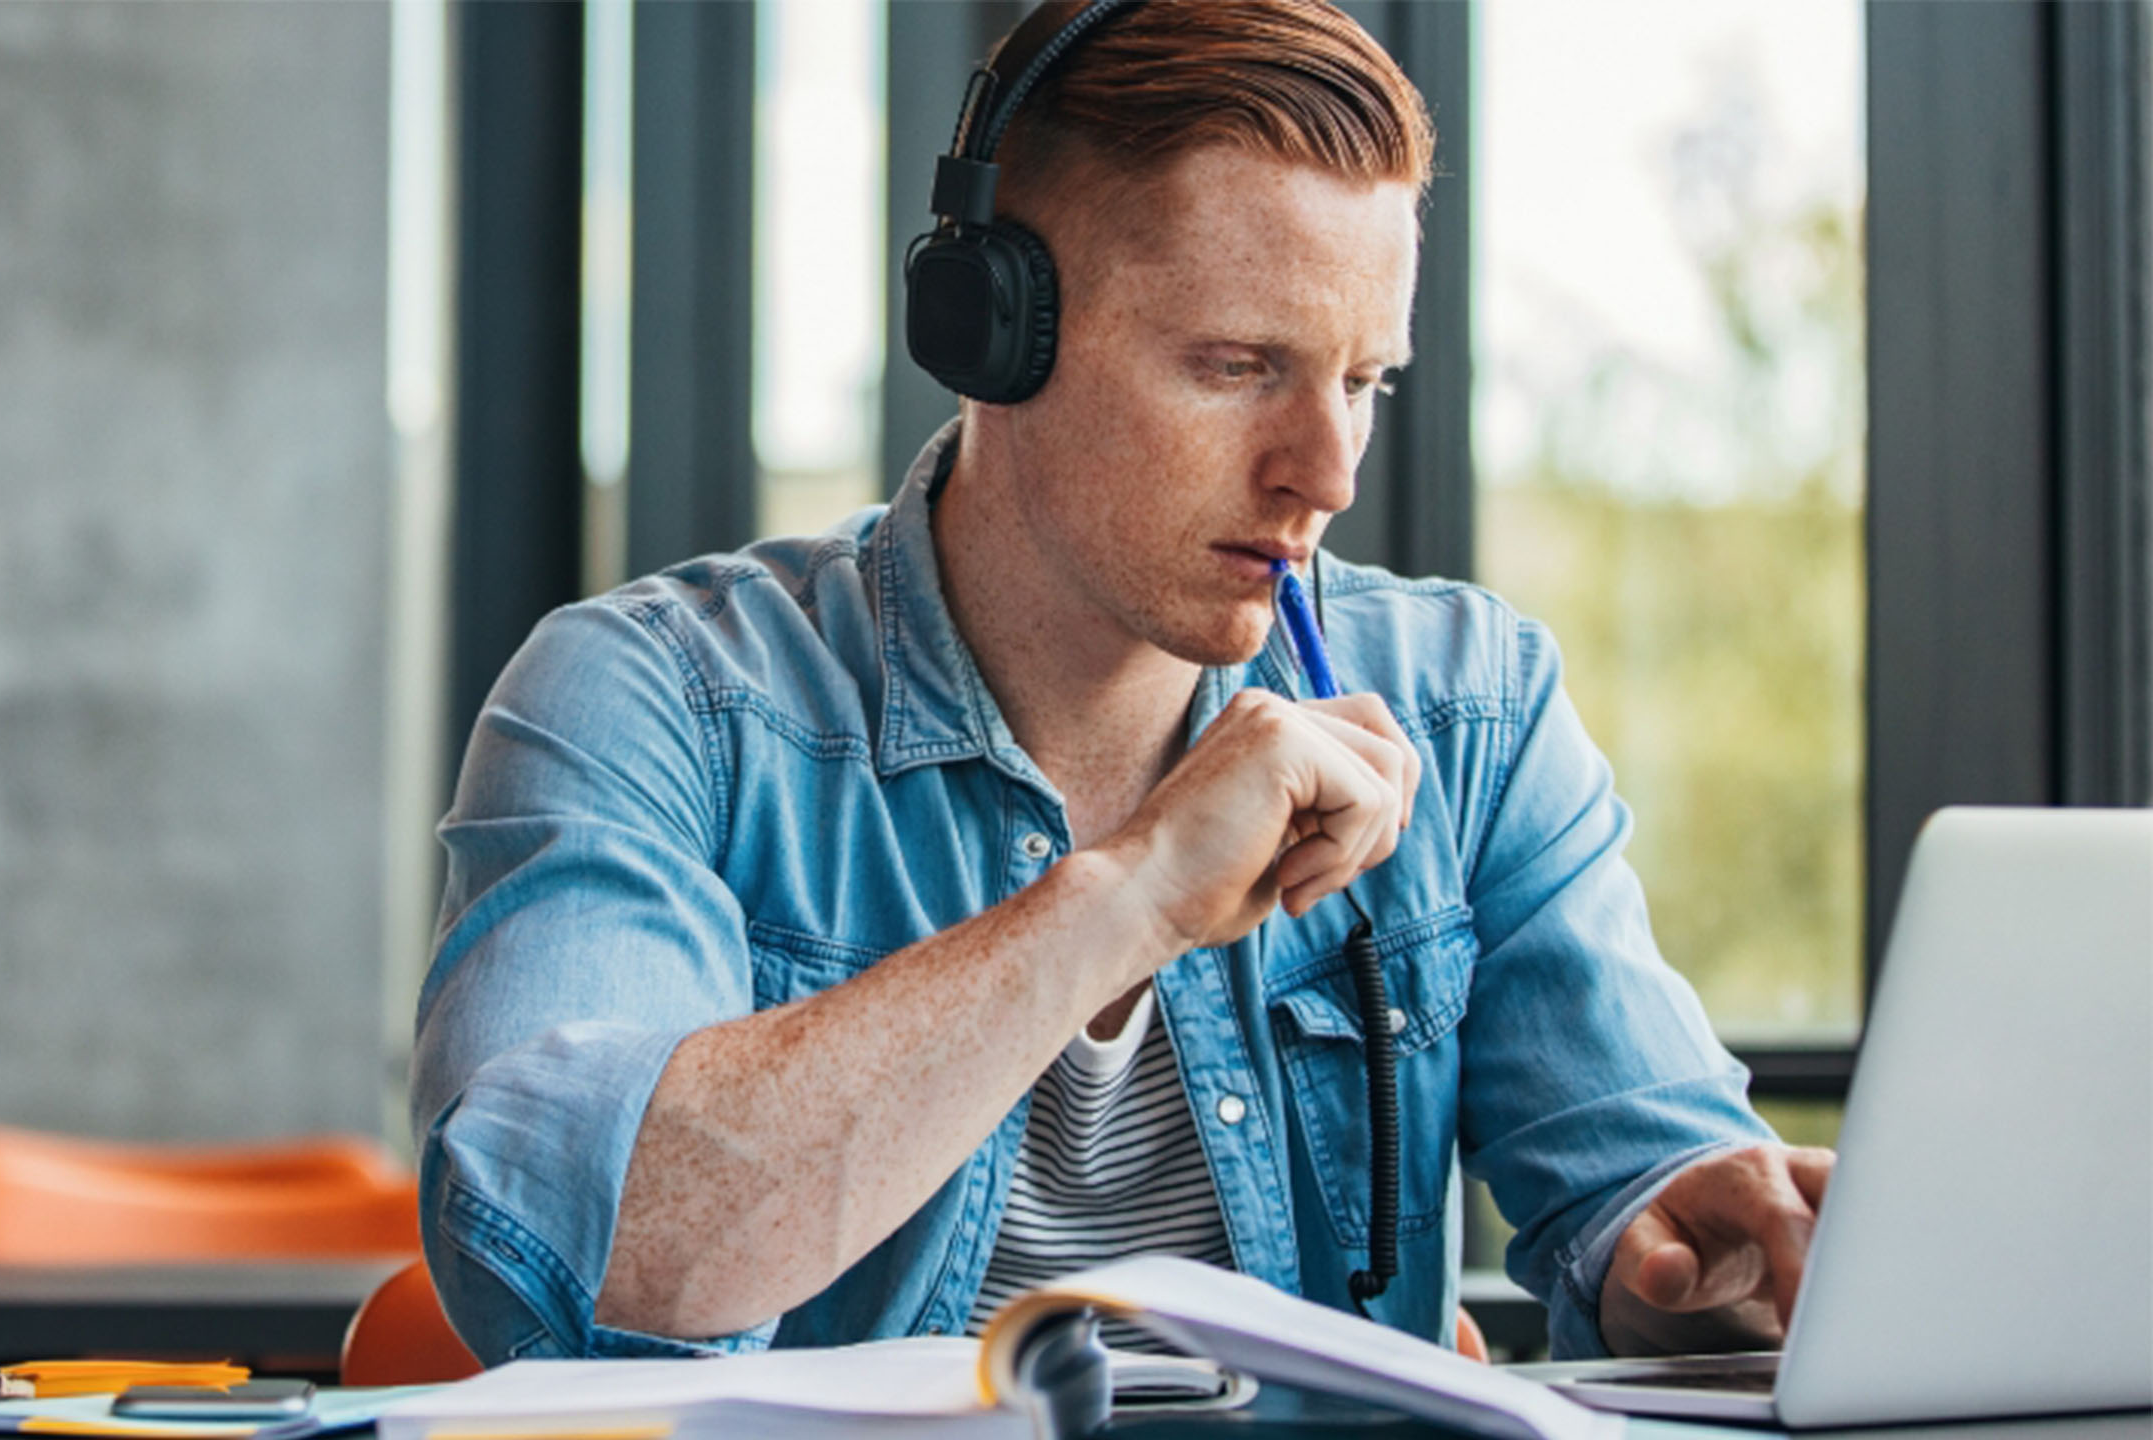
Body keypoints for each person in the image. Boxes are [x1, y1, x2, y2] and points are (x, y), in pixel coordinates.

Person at [411, 0, 1832, 1369]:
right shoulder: (658, 704)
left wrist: (1701, 1261)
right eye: (1236, 366)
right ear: (992, 333)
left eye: (1364, 382)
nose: (1324, 474)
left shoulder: (1473, 710)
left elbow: (1649, 1193)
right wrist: (1128, 897)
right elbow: (569, 1265)